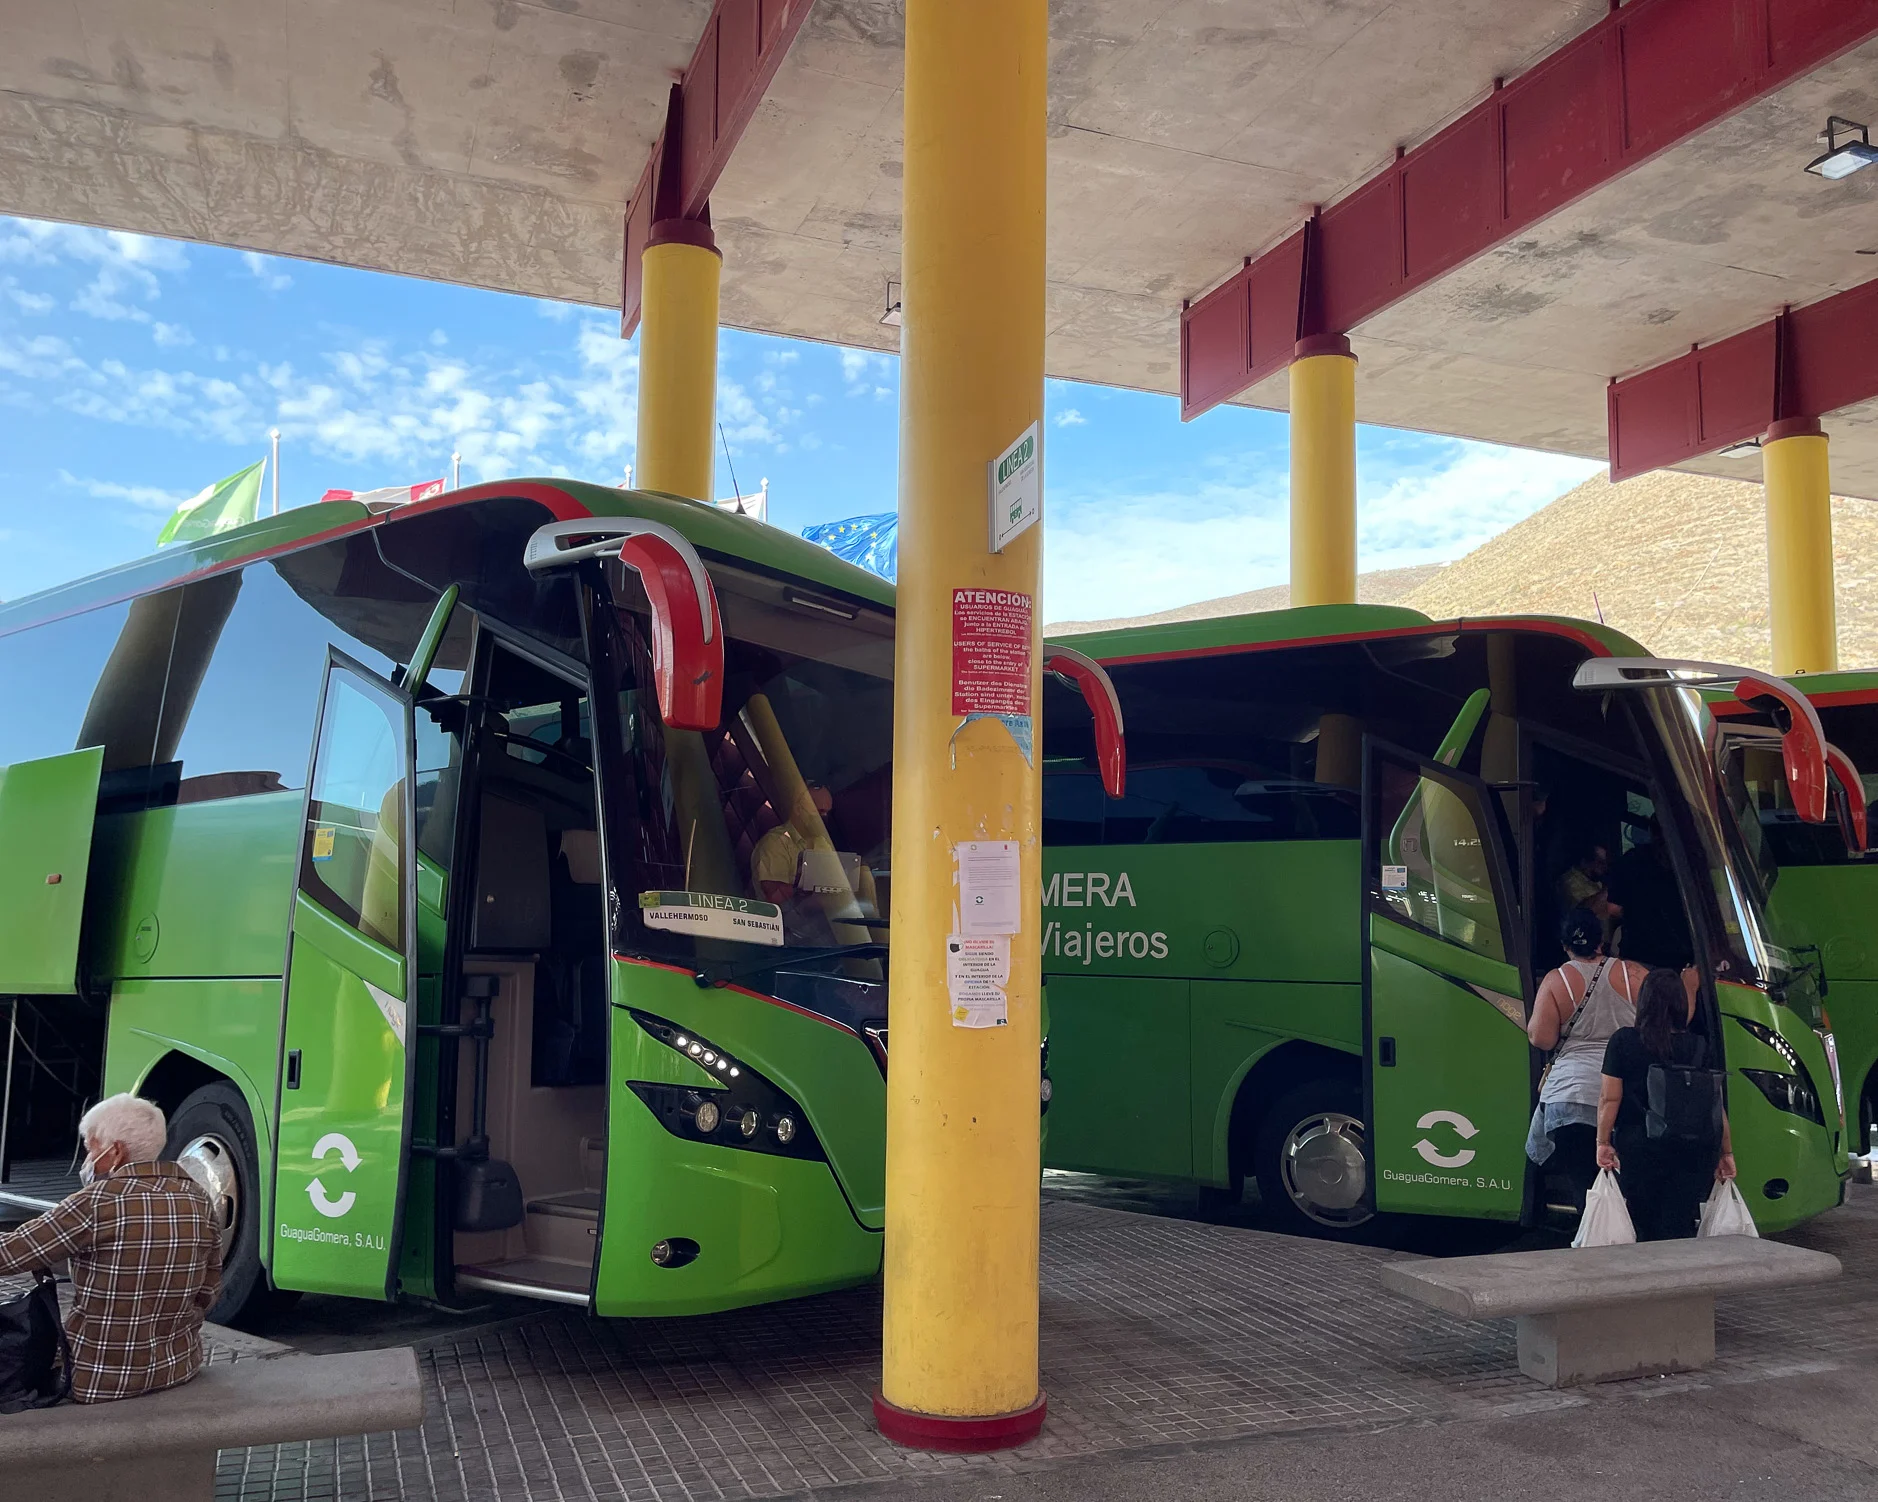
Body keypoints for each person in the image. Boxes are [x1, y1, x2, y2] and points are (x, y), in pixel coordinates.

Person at [0, 1094, 220, 1403]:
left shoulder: (97, 1202)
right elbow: (209, 1290)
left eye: (90, 1147)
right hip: (177, 1368)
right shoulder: (197, 1198)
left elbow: (11, 1252)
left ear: (115, 1151)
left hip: (98, 1379)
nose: (87, 1159)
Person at [1597, 968, 1735, 1241]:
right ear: (1681, 1004)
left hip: (1639, 1147)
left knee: (1642, 1225)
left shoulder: (1623, 1041)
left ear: (1644, 1002)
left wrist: (1603, 1142)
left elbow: (1609, 1098)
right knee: (1680, 1224)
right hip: (1690, 1148)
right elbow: (1714, 1105)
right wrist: (1726, 1152)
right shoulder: (1698, 1045)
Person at [1525, 907, 1647, 1211]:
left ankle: (1595, 1242)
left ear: (1565, 946)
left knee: (1588, 1192)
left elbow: (1541, 1038)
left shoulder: (1556, 980)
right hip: (1629, 1097)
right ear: (1601, 941)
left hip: (1572, 1096)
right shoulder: (1634, 973)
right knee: (1629, 1188)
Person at [1607, 818, 1694, 970]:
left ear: (1651, 833)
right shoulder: (1690, 862)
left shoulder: (1631, 861)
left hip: (1640, 957)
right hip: (1681, 957)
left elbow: (1613, 908)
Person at [1555, 842, 1612, 927]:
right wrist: (1610, 888)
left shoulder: (1596, 882)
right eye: (1600, 863)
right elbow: (1584, 911)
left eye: (1605, 863)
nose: (1605, 868)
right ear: (1584, 862)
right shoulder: (1569, 882)